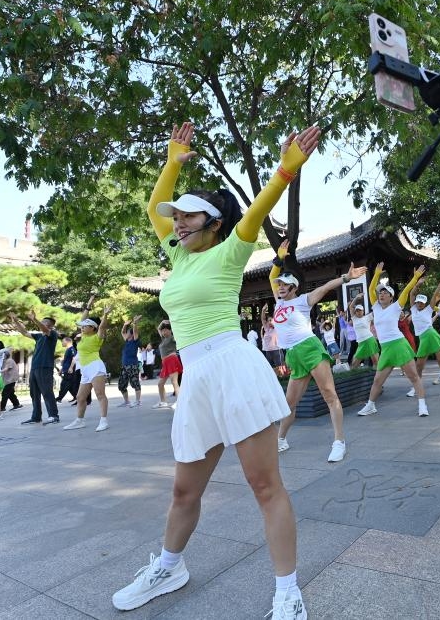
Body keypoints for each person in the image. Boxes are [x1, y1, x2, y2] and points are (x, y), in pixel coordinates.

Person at [112, 122, 319, 619]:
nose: (177, 223)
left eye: (189, 217)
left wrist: (286, 170)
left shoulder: (230, 251)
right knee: (185, 489)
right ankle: (168, 566)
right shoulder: (175, 256)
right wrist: (172, 161)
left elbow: (256, 213)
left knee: (264, 485)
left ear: (214, 224)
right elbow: (151, 208)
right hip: (197, 377)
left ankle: (288, 593)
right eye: (176, 217)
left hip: (233, 367)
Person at [270, 240, 366, 462]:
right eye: (279, 285)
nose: (280, 287)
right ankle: (280, 441)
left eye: (284, 284)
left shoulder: (304, 299)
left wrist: (346, 278)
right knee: (289, 404)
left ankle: (339, 441)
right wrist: (279, 258)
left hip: (310, 348)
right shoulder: (278, 303)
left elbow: (325, 288)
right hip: (293, 354)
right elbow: (270, 277)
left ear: (294, 287)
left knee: (329, 395)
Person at [356, 263, 431, 418]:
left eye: (385, 293)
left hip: (399, 345)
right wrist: (376, 274)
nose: (381, 295)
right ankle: (370, 406)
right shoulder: (375, 306)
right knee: (377, 381)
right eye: (380, 293)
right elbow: (371, 290)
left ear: (391, 297)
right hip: (385, 349)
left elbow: (406, 290)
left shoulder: (397, 306)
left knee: (413, 377)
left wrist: (416, 277)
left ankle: (422, 405)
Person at [63, 302, 113, 431]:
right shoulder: (84, 335)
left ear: (92, 327)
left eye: (85, 326)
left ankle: (103, 421)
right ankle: (79, 420)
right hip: (85, 369)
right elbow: (82, 319)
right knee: (80, 397)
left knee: (100, 394)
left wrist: (105, 314)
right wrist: (88, 306)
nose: (82, 328)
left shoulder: (98, 337)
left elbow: (102, 327)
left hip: (95, 367)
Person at [406, 273, 440, 398]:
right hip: (423, 339)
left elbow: (435, 295)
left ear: (425, 303)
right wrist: (417, 283)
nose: (419, 304)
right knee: (419, 366)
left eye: (421, 302)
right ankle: (415, 387)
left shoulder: (429, 309)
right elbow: (411, 294)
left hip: (431, 335)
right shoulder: (413, 309)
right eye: (418, 302)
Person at [8, 311, 61, 426]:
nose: (41, 323)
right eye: (41, 322)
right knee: (34, 393)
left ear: (50, 325)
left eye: (44, 322)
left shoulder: (52, 334)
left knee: (47, 391)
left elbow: (45, 330)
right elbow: (24, 333)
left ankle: (53, 415)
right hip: (35, 367)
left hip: (45, 366)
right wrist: (16, 321)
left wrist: (34, 319)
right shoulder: (39, 336)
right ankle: (36, 417)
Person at [347, 298, 379, 370]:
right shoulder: (354, 318)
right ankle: (354, 377)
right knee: (355, 363)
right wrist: (356, 297)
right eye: (357, 311)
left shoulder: (368, 317)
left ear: (363, 311)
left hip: (370, 340)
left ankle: (375, 377)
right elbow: (351, 307)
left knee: (375, 361)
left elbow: (377, 310)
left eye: (360, 310)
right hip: (361, 342)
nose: (358, 312)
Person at [119, 316, 143, 408]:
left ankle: (138, 401)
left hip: (132, 365)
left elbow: (135, 331)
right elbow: (122, 332)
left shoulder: (135, 341)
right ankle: (127, 401)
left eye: (128, 332)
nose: (126, 333)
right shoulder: (127, 341)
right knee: (121, 385)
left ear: (132, 335)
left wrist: (135, 323)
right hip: (124, 366)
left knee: (135, 383)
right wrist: (125, 325)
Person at [157, 321, 183, 406]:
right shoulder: (163, 339)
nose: (164, 332)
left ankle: (179, 402)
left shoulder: (172, 337)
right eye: (163, 331)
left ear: (170, 330)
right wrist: (162, 322)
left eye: (165, 330)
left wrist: (175, 352)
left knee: (174, 382)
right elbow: (158, 328)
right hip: (165, 363)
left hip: (172, 360)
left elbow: (180, 341)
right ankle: (163, 402)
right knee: (160, 384)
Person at [261, 306, 286, 375]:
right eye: (268, 320)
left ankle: (283, 378)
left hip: (276, 350)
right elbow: (263, 319)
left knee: (280, 366)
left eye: (270, 320)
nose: (269, 322)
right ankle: (274, 378)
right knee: (269, 366)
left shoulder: (277, 328)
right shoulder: (266, 328)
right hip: (268, 351)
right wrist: (263, 311)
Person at [56, 336, 80, 403]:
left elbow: (74, 358)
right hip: (66, 370)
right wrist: (61, 370)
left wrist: (71, 367)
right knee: (70, 386)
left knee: (64, 384)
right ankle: (76, 397)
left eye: (63, 341)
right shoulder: (68, 349)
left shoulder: (71, 349)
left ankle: (59, 398)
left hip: (69, 371)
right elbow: (66, 362)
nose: (62, 343)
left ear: (67, 341)